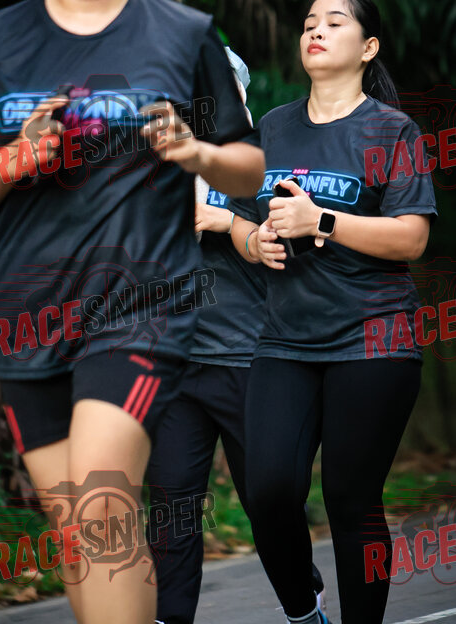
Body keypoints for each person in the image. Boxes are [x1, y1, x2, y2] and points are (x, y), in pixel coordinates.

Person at [0, 0, 264, 624]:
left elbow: (248, 165)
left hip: (138, 306)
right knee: (82, 534)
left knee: (102, 500)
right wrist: (21, 155)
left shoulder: (182, 34)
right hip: (25, 312)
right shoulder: (1, 38)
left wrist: (195, 152)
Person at [229, 0, 437, 624]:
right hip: (285, 340)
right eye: (309, 23)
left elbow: (412, 237)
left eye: (334, 22)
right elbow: (239, 220)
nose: (315, 31)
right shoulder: (272, 126)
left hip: (373, 338)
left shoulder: (392, 130)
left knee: (351, 499)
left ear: (367, 47)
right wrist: (256, 241)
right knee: (269, 491)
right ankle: (305, 611)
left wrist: (321, 220)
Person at [147, 51, 331, 624]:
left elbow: (295, 248)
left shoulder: (268, 164)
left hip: (251, 360)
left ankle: (304, 608)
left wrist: (228, 222)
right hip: (173, 364)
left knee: (269, 504)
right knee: (172, 511)